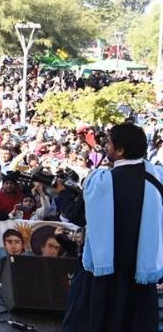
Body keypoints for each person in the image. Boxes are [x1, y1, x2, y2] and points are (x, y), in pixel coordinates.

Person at [57, 123, 162, 332]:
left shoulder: (104, 181)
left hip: (105, 272)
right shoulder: (157, 177)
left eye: (110, 143)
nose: (106, 147)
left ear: (120, 150)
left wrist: (62, 194)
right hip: (141, 270)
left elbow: (79, 216)